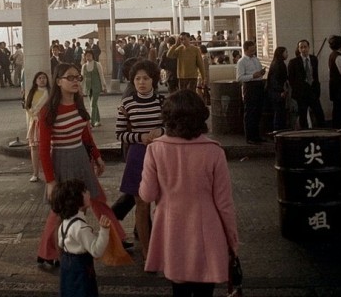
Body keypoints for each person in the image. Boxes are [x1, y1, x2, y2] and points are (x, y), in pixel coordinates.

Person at [140, 90, 239, 296]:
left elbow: (147, 195)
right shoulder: (214, 151)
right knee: (205, 290)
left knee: (179, 289)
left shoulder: (155, 150)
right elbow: (224, 204)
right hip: (207, 231)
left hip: (171, 229)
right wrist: (232, 240)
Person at [36, 62, 126, 266]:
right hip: (63, 159)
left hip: (80, 158)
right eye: (70, 78)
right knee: (62, 208)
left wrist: (97, 156)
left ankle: (116, 238)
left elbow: (85, 134)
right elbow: (43, 149)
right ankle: (47, 252)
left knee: (96, 198)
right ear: (58, 82)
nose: (76, 81)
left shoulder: (78, 104)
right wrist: (50, 181)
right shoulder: (48, 112)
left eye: (78, 77)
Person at [115, 59, 164, 260]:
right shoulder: (127, 104)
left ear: (153, 79)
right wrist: (140, 137)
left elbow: (173, 127)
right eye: (137, 78)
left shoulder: (163, 102)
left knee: (162, 204)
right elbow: (119, 133)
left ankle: (164, 245)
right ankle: (147, 251)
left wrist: (161, 131)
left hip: (161, 154)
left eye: (145, 78)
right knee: (141, 205)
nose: (141, 82)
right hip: (137, 155)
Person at [51, 179, 110, 297]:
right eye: (84, 191)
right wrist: (104, 230)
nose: (88, 192)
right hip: (81, 271)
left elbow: (61, 244)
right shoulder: (80, 227)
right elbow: (96, 251)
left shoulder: (64, 223)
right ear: (77, 200)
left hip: (67, 269)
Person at [287, 39, 326, 129]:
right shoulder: (294, 62)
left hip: (313, 91)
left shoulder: (313, 59)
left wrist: (316, 88)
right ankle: (305, 135)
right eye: (301, 47)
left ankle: (323, 133)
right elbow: (291, 79)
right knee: (303, 115)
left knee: (319, 113)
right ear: (299, 49)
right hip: (301, 93)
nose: (304, 49)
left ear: (309, 48)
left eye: (305, 47)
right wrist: (297, 90)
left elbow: (315, 75)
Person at [236, 40, 267, 144]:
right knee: (250, 112)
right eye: (251, 50)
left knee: (258, 112)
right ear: (245, 50)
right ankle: (250, 137)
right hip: (249, 87)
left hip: (258, 85)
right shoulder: (242, 62)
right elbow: (239, 78)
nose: (253, 52)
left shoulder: (255, 59)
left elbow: (258, 72)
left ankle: (257, 135)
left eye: (254, 50)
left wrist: (261, 73)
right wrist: (252, 76)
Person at [25, 71, 50, 182]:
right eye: (39, 78)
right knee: (34, 148)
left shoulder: (50, 93)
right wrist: (35, 116)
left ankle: (49, 171)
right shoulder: (32, 93)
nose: (42, 80)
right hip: (34, 123)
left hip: (46, 123)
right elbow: (28, 107)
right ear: (36, 80)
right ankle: (35, 173)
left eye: (44, 78)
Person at [81, 49, 107, 127]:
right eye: (86, 56)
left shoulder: (97, 64)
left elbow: (101, 75)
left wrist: (104, 86)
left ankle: (91, 122)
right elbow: (82, 78)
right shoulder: (84, 66)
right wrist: (81, 89)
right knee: (94, 104)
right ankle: (98, 120)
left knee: (92, 104)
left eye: (89, 55)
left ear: (92, 56)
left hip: (96, 87)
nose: (88, 57)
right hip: (88, 88)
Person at [267, 46, 290, 132]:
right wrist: (281, 91)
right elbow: (275, 80)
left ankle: (279, 131)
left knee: (280, 112)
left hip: (275, 92)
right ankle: (278, 131)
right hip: (277, 92)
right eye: (286, 52)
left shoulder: (276, 63)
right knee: (279, 113)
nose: (287, 54)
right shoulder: (279, 64)